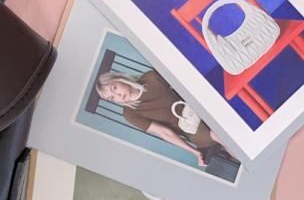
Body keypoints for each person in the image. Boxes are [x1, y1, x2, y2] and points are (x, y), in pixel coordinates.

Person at [96, 69, 224, 166]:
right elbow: (164, 133)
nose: (118, 96)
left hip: (195, 104)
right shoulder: (130, 114)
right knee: (216, 132)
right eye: (112, 98)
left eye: (114, 88)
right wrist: (195, 152)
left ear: (120, 78)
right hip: (190, 128)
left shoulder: (151, 77)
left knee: (218, 115)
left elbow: (183, 83)